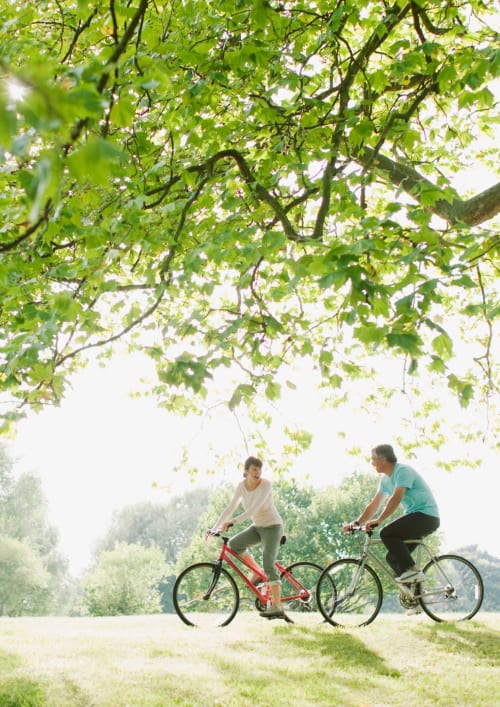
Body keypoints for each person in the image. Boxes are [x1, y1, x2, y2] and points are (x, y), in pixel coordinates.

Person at [345, 444, 440, 583]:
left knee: (387, 533)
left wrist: (379, 520)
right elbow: (374, 505)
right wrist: (357, 523)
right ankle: (416, 596)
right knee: (392, 558)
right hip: (415, 518)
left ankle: (413, 571)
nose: (371, 463)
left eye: (373, 459)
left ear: (383, 459)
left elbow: (396, 498)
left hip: (426, 517)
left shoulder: (403, 471)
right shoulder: (385, 480)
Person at [209, 455, 286, 618]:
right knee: (234, 544)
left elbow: (253, 509)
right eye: (254, 469)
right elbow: (230, 508)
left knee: (268, 563)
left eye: (260, 469)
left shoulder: (266, 485)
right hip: (258, 527)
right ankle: (257, 572)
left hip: (273, 527)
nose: (258, 473)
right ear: (246, 471)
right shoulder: (241, 486)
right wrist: (214, 528)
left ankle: (278, 605)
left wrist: (233, 522)